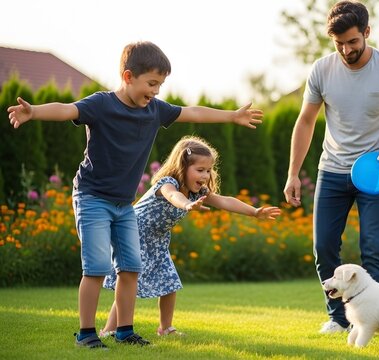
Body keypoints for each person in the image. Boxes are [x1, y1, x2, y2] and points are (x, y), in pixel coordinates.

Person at [7, 41, 264, 349]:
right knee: (97, 266)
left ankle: (124, 331)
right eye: (151, 83)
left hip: (124, 205)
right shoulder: (102, 105)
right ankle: (86, 333)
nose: (156, 91)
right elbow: (67, 109)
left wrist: (230, 116)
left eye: (160, 84)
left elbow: (192, 111)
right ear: (128, 77)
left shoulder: (155, 110)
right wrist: (33, 111)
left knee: (131, 267)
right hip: (92, 198)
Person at [283, 1, 379, 334]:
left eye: (352, 41)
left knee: (373, 248)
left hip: (375, 171)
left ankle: (368, 322)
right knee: (323, 247)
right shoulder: (321, 69)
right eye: (339, 44)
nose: (346, 50)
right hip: (331, 170)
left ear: (367, 32)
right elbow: (305, 122)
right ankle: (338, 317)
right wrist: (293, 173)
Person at [99, 135, 281, 338]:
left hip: (157, 241)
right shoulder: (167, 183)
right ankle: (110, 329)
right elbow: (172, 196)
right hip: (132, 234)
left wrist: (254, 212)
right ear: (182, 167)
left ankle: (166, 328)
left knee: (170, 282)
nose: (205, 175)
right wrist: (186, 204)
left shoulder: (198, 192)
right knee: (129, 283)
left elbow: (224, 201)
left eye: (208, 170)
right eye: (200, 170)